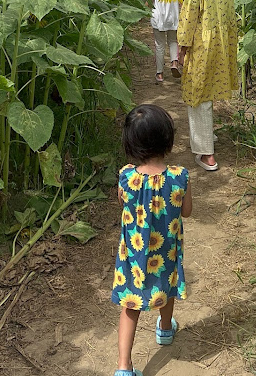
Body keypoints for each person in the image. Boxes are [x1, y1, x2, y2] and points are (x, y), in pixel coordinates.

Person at [112, 104, 192, 376]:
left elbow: (122, 203)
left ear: (130, 143)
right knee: (167, 288)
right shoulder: (179, 176)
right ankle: (166, 330)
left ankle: (124, 367)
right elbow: (187, 212)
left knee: (129, 305)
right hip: (166, 252)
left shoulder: (126, 176)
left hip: (133, 256)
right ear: (168, 139)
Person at [177, 0, 238, 172]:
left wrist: (180, 49)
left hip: (202, 45)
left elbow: (188, 20)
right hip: (222, 43)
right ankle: (207, 137)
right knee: (209, 91)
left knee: (197, 96)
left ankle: (206, 154)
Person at [149, 0, 182, 83]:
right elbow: (181, 1)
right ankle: (174, 63)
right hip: (173, 17)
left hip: (158, 17)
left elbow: (150, 0)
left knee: (159, 45)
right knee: (173, 41)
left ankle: (160, 73)